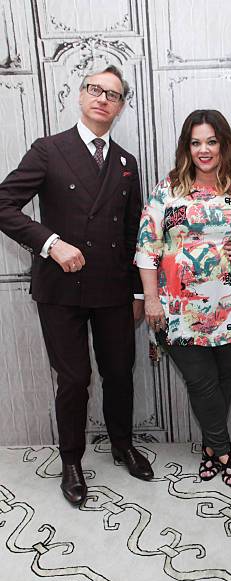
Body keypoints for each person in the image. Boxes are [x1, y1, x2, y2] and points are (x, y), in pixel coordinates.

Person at [0, 65, 154, 505]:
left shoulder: (126, 162)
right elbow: (4, 203)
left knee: (119, 373)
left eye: (113, 94)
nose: (102, 99)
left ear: (121, 106)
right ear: (80, 96)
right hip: (61, 288)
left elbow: (132, 231)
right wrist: (51, 243)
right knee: (73, 379)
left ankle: (123, 445)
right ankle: (72, 461)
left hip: (113, 287)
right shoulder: (49, 149)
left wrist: (140, 292)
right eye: (94, 90)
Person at [135, 109, 231, 487]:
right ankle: (225, 449)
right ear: (187, 147)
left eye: (211, 141)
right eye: (196, 142)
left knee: (221, 377)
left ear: (223, 145)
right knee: (201, 382)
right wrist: (151, 300)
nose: (204, 150)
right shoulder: (167, 189)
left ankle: (209, 449)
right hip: (176, 309)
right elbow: (147, 246)